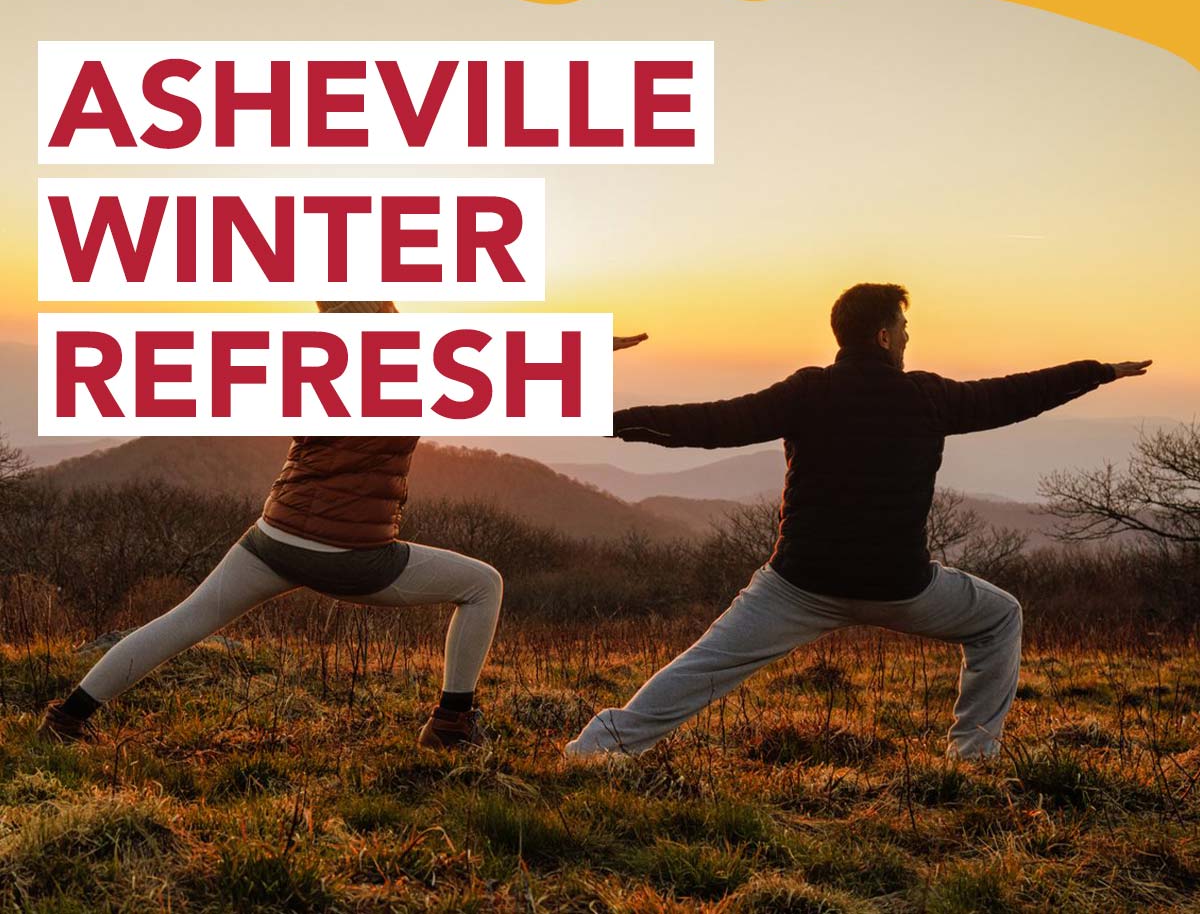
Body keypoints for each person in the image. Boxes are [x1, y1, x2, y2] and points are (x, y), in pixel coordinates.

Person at [566, 283, 1151, 761]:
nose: (906, 340)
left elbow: (711, 423)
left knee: (705, 665)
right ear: (883, 335)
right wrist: (1096, 371)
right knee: (1000, 618)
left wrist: (609, 421)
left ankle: (598, 747)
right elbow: (1014, 395)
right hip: (900, 588)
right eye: (903, 330)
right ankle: (973, 758)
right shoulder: (929, 398)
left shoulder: (808, 392)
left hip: (798, 586)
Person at [38, 300, 647, 749]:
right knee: (483, 583)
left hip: (272, 539)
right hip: (351, 554)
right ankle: (453, 721)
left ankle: (68, 716)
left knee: (183, 622)